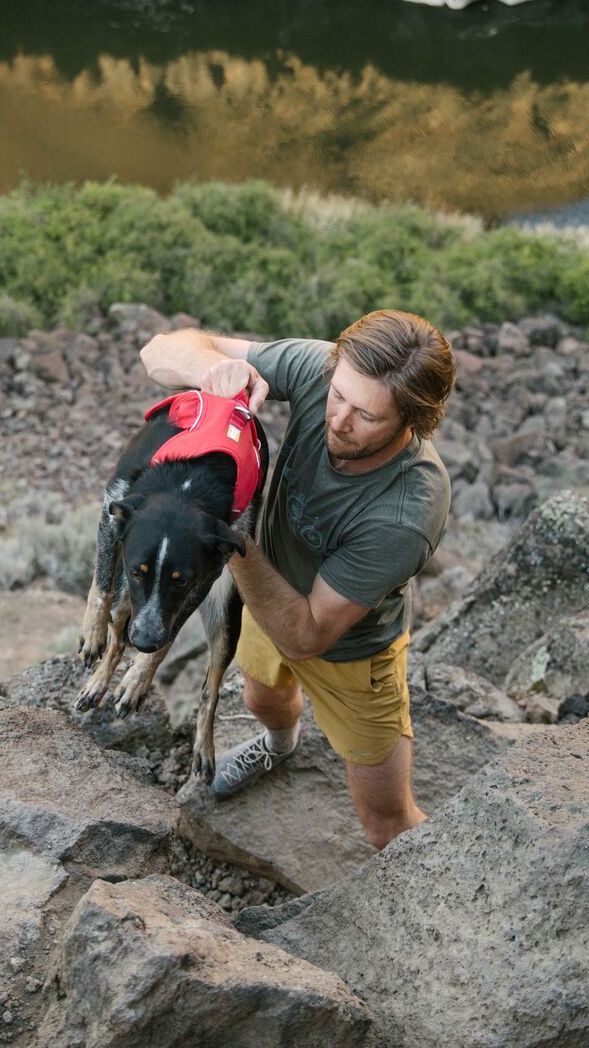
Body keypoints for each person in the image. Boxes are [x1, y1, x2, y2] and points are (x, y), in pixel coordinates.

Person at [138, 310, 454, 850]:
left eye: (367, 417)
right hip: (269, 591)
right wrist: (215, 368)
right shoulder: (325, 369)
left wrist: (228, 534)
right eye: (338, 396)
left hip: (350, 650)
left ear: (413, 422)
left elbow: (307, 635)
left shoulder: (406, 511)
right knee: (263, 699)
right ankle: (281, 744)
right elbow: (160, 350)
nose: (338, 420)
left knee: (386, 824)